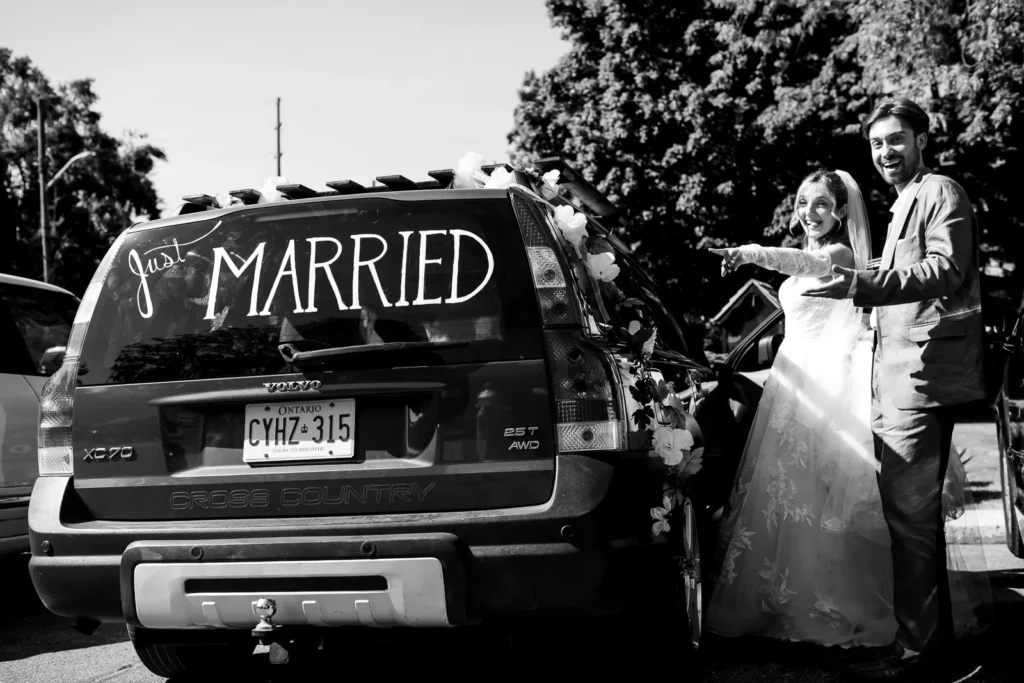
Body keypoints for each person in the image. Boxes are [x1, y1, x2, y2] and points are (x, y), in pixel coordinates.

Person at [703, 166, 989, 663]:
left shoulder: (838, 256)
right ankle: (783, 600)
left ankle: (836, 606)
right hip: (793, 382)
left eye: (819, 204)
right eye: (801, 203)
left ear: (839, 212)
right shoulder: (817, 253)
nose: (808, 213)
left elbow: (797, 263)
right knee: (790, 498)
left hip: (829, 385)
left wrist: (750, 253)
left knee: (824, 500)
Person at [798, 98, 987, 680]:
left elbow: (946, 270)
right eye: (877, 145)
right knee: (913, 523)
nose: (886, 153)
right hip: (892, 377)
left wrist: (862, 285)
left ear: (921, 139)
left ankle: (916, 656)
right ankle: (934, 646)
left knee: (909, 521)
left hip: (920, 376)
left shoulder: (941, 192)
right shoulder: (904, 200)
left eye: (896, 140)